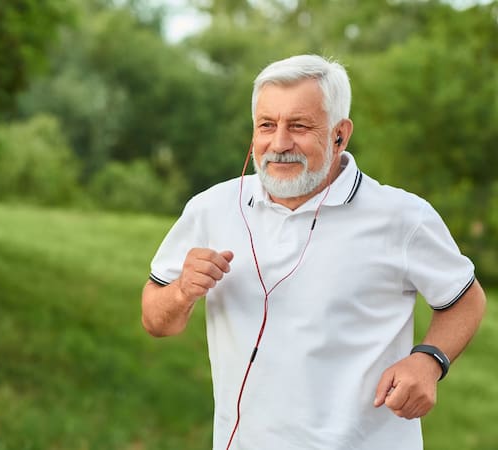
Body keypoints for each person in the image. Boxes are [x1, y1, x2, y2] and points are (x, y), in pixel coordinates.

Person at [141, 54, 487, 450]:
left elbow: (466, 299)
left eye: (299, 126)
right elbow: (155, 319)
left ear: (340, 134)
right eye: (267, 125)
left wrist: (429, 360)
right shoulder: (211, 208)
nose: (279, 143)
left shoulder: (403, 216)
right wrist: (182, 292)